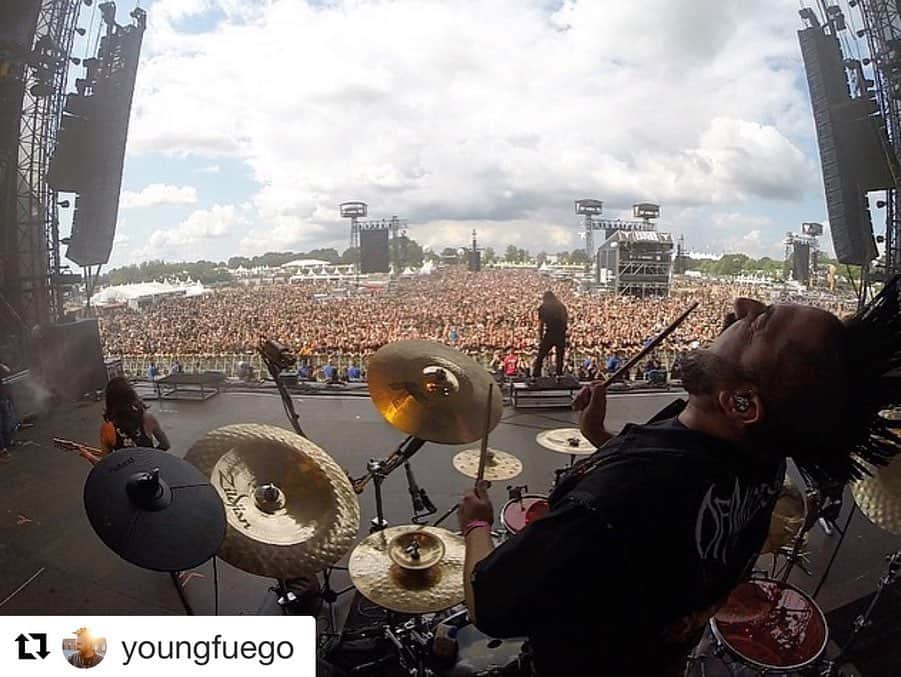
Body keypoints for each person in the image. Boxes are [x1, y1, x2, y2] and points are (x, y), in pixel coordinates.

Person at [459, 278, 901, 676]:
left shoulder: (612, 503)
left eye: (759, 324)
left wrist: (478, 523)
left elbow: (489, 604)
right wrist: (599, 435)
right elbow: (676, 498)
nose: (743, 303)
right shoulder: (763, 463)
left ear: (742, 404)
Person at [82, 377, 170, 465]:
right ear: (132, 395)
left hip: (125, 477)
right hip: (150, 473)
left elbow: (105, 466)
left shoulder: (107, 428)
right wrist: (150, 456)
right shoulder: (148, 419)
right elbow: (165, 445)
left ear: (110, 400)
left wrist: (88, 455)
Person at [532, 291, 568, 378]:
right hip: (560, 333)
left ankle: (536, 375)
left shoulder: (543, 307)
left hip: (550, 333)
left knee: (541, 355)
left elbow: (541, 324)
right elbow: (565, 320)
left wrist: (540, 338)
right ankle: (559, 374)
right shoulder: (561, 306)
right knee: (560, 356)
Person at [0, 361, 16, 463]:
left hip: (2, 398)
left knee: (7, 424)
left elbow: (7, 370)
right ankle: (2, 450)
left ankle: (7, 445)